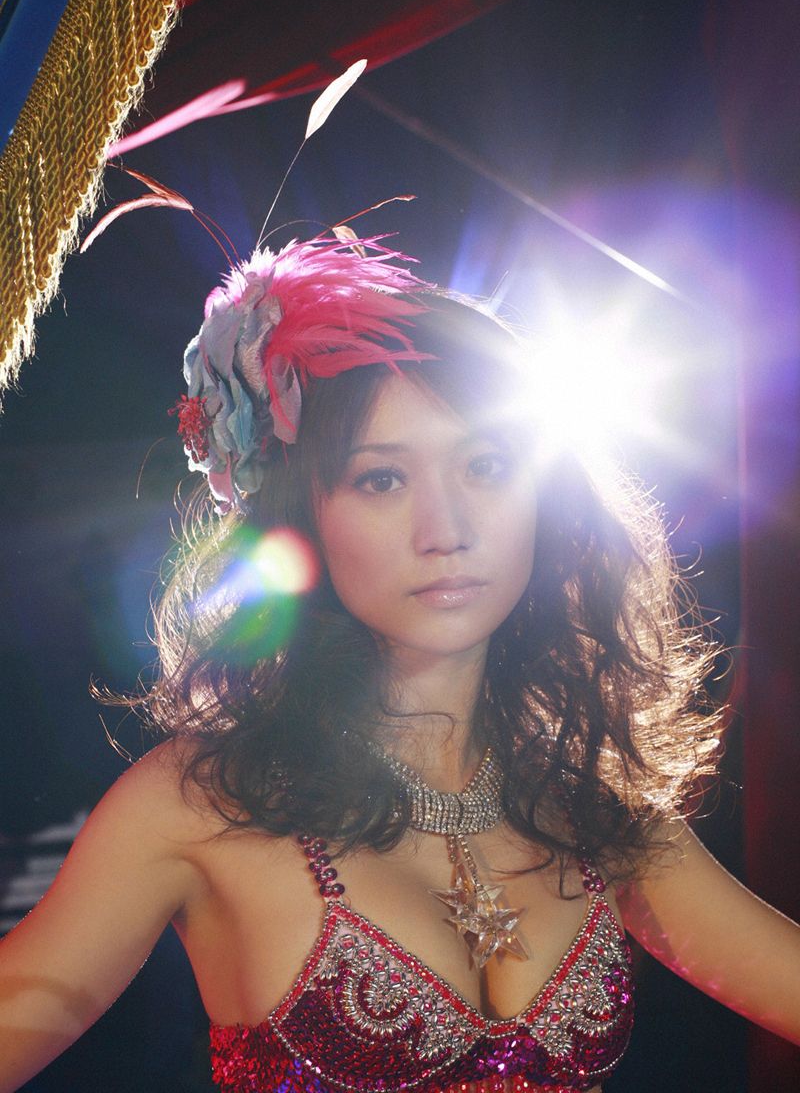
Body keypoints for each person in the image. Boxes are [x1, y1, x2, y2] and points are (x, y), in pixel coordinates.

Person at [0, 231, 799, 1093]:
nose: (446, 530)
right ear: (303, 518)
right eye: (382, 480)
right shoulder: (197, 805)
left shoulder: (595, 811)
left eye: (486, 465)